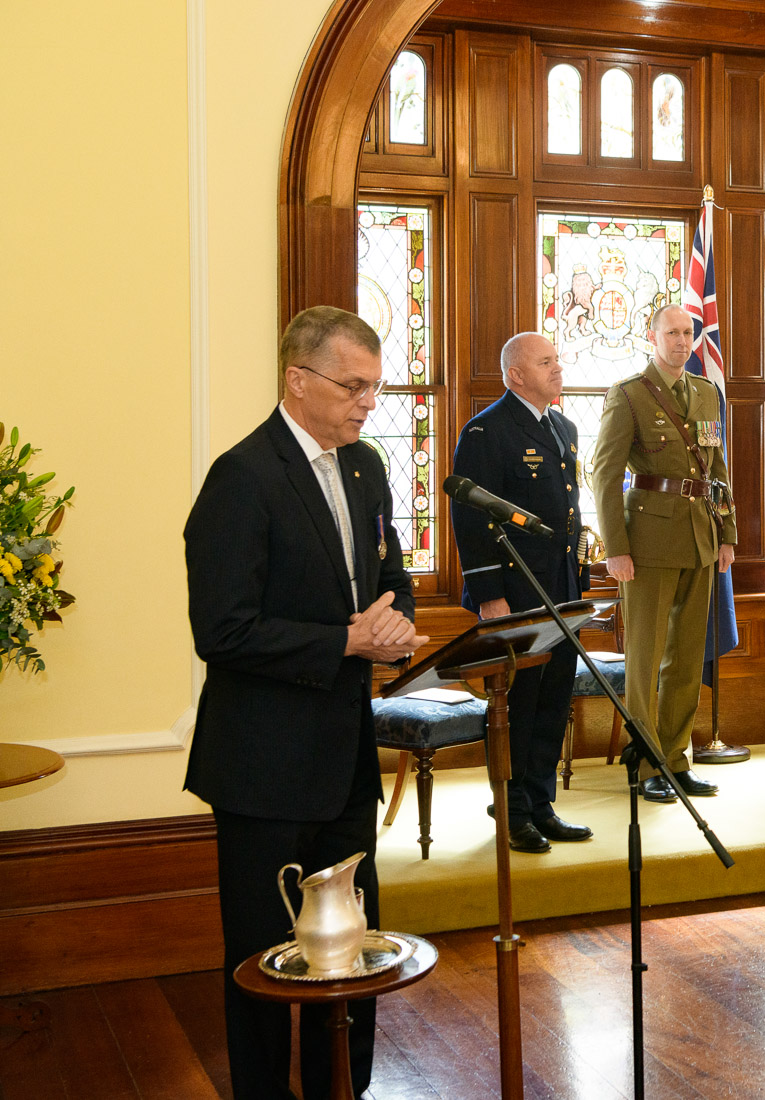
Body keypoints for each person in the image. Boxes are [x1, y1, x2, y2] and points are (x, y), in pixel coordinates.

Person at [184, 305, 426, 1099]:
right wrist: (344, 642)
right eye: (353, 385)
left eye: (375, 386)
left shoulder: (365, 468)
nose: (368, 402)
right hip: (262, 768)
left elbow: (392, 578)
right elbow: (222, 630)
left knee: (352, 953)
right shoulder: (243, 478)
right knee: (262, 965)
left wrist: (396, 623)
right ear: (297, 379)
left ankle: (343, 1090)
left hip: (345, 760)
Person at [451, 332, 594, 853]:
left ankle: (540, 803)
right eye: (545, 362)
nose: (558, 369)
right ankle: (512, 810)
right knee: (519, 701)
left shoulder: (563, 427)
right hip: (514, 590)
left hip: (560, 585)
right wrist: (489, 594)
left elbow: (568, 509)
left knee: (554, 696)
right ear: (515, 375)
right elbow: (470, 518)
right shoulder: (486, 431)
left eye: (557, 359)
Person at [587, 304, 736, 803]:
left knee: (687, 659)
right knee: (645, 661)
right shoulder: (629, 394)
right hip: (648, 542)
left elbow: (716, 468)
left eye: (687, 333)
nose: (681, 341)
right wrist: (616, 548)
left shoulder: (706, 392)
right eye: (671, 332)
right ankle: (648, 762)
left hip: (700, 538)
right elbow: (605, 474)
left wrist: (728, 532)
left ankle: (675, 759)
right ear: (652, 336)